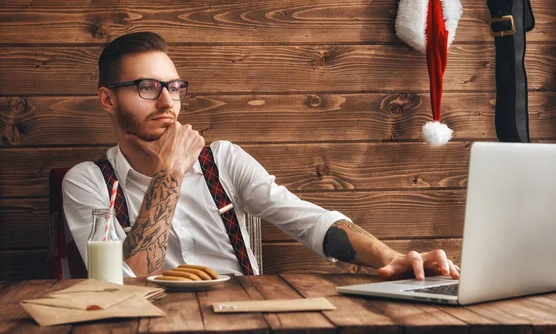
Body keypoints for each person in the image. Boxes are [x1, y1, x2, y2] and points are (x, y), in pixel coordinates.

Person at [63, 32, 460, 280]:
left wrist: (390, 258)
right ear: (107, 99)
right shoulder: (88, 181)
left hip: (245, 316)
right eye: (147, 87)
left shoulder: (222, 160)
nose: (168, 101)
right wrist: (170, 171)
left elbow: (307, 220)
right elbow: (124, 281)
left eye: (174, 87)